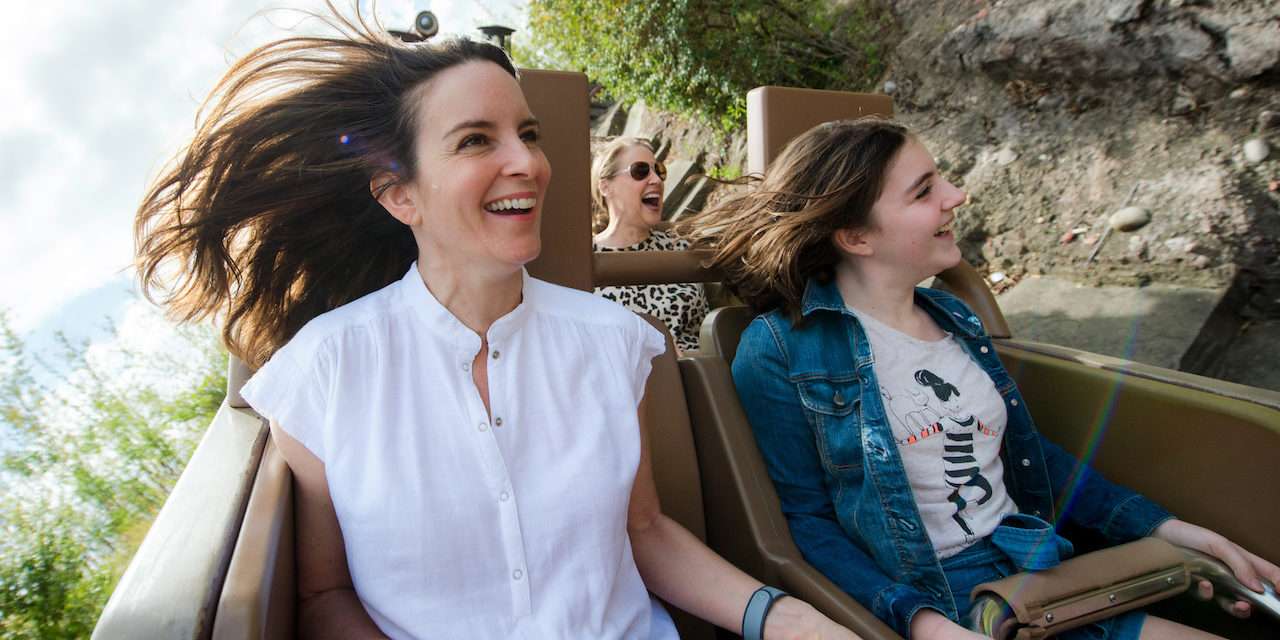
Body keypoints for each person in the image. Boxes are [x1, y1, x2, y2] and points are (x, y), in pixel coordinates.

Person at [134, 7, 857, 640]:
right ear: (398, 196)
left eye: (529, 133)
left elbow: (642, 531)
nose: (529, 164)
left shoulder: (615, 342)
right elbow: (324, 596)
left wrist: (784, 617)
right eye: (477, 140)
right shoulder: (322, 371)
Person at [686, 118, 1280, 640]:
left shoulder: (957, 317)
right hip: (940, 601)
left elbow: (1029, 456)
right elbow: (803, 525)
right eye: (925, 191)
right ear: (856, 237)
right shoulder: (780, 349)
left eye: (941, 178)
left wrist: (1168, 528)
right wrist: (925, 625)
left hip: (1040, 576)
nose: (957, 195)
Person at [592, 137, 710, 353]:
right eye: (640, 171)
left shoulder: (680, 247)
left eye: (659, 170)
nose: (656, 179)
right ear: (605, 186)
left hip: (694, 375)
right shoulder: (585, 259)